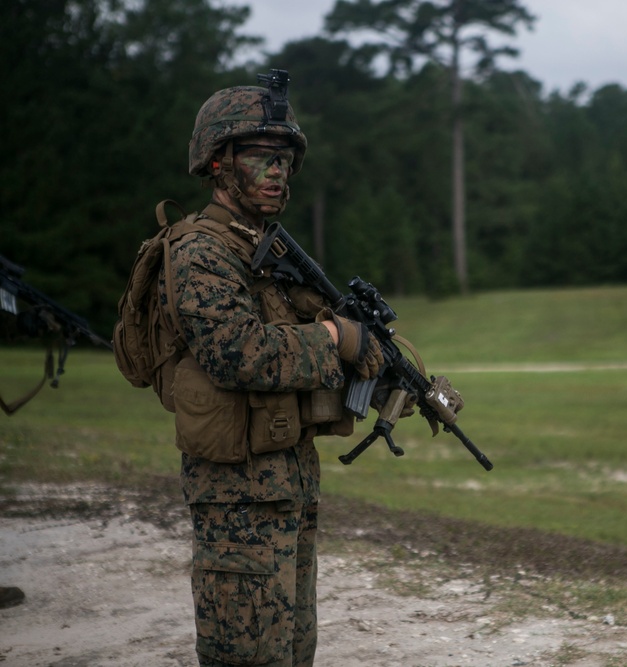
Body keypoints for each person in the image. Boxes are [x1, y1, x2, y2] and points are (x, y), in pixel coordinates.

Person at [164, 71, 384, 666]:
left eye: (285, 160)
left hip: (288, 485)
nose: (279, 172)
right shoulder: (200, 251)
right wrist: (335, 338)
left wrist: (367, 353)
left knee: (292, 652)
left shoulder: (265, 252)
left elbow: (299, 353)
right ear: (218, 162)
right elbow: (236, 352)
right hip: (236, 499)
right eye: (263, 158)